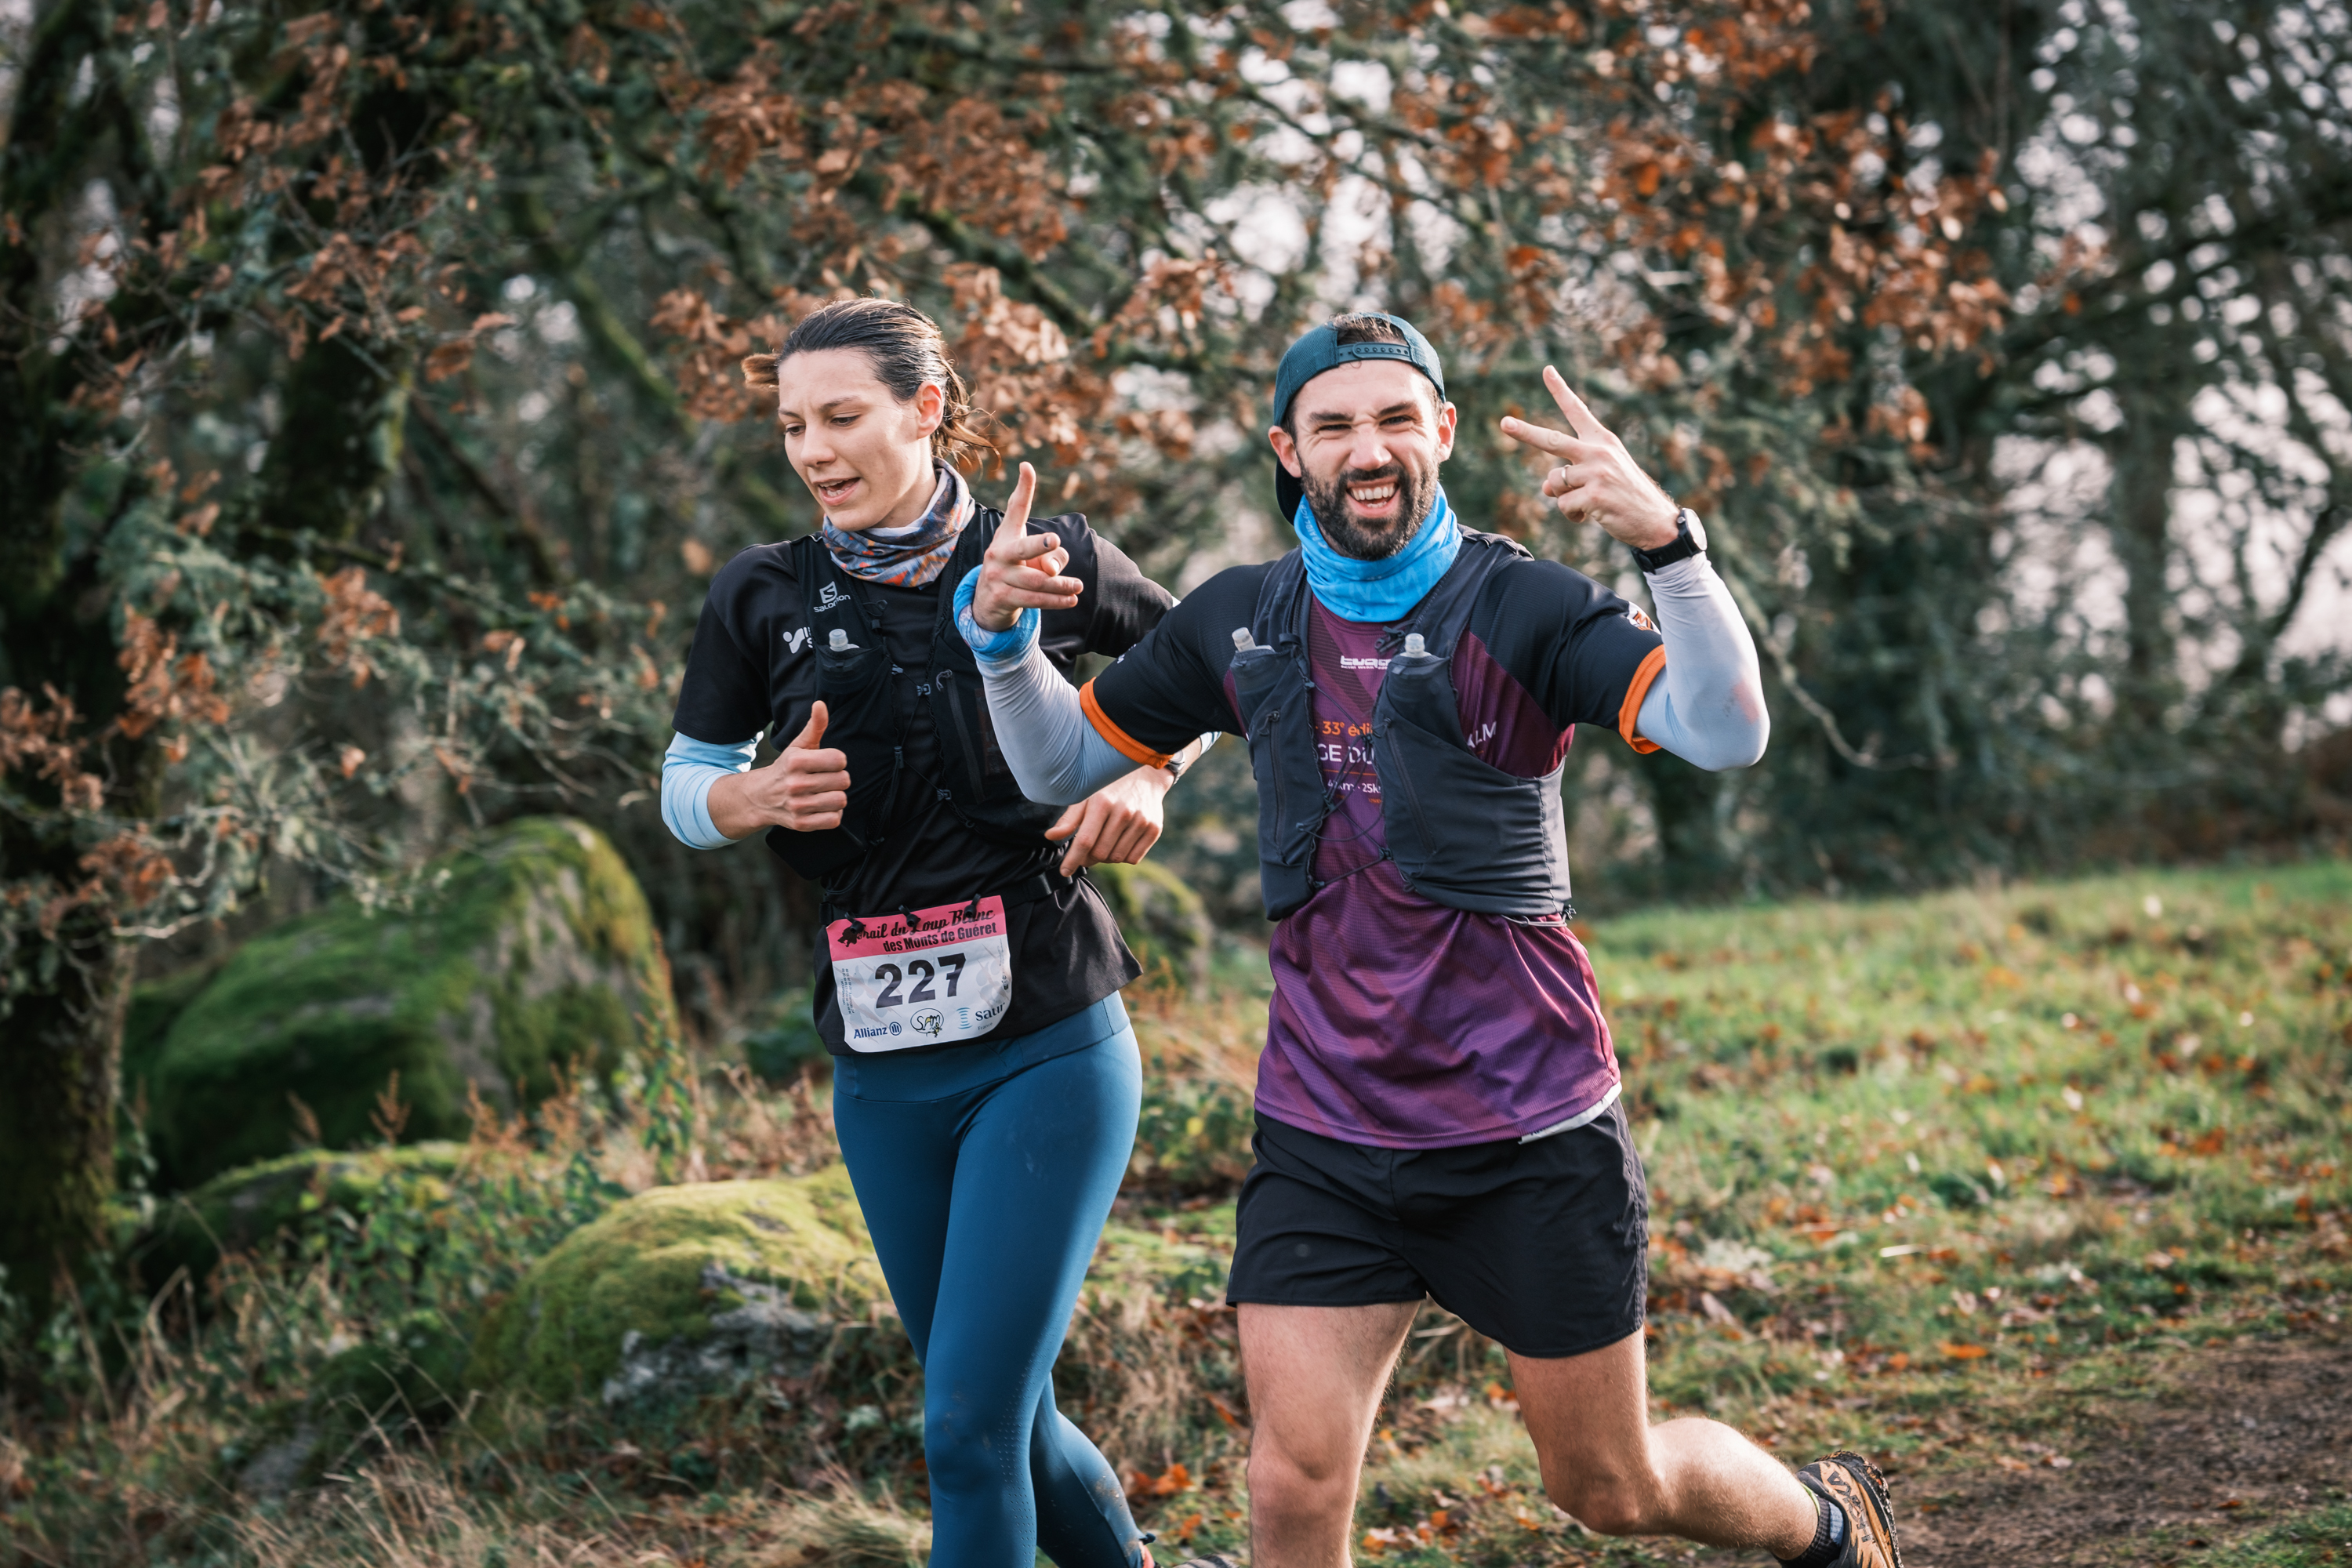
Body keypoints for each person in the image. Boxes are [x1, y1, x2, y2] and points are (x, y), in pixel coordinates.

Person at [956, 313, 1904, 1568]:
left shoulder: (1525, 606)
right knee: (1292, 1483)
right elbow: (1059, 763)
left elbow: (1728, 731)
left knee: (1609, 1484)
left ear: (1443, 432)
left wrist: (1668, 544)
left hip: (1527, 1126)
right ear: (1289, 450)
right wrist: (1001, 642)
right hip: (1327, 1129)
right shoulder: (1240, 617)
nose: (1369, 449)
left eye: (1397, 418)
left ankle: (1826, 1524)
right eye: (1336, 425)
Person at [658, 296, 1217, 1568]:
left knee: (966, 1429)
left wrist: (1147, 773)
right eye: (792, 426)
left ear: (926, 408)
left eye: (841, 416)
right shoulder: (761, 594)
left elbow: (1213, 671)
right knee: (1009, 1425)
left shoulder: (1046, 555)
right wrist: (750, 798)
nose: (813, 450)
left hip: (1048, 1046)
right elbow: (686, 785)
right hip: (880, 1072)